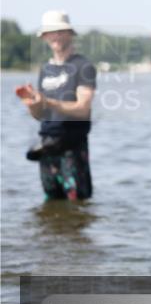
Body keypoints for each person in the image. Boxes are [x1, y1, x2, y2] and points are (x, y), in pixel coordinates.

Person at [14, 11, 96, 201]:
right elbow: (40, 115)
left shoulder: (83, 66)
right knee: (51, 202)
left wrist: (48, 101)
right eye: (50, 32)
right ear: (44, 36)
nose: (55, 36)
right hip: (47, 146)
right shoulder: (46, 69)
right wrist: (32, 104)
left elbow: (83, 108)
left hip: (73, 146)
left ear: (69, 33)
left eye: (59, 31)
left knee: (78, 204)